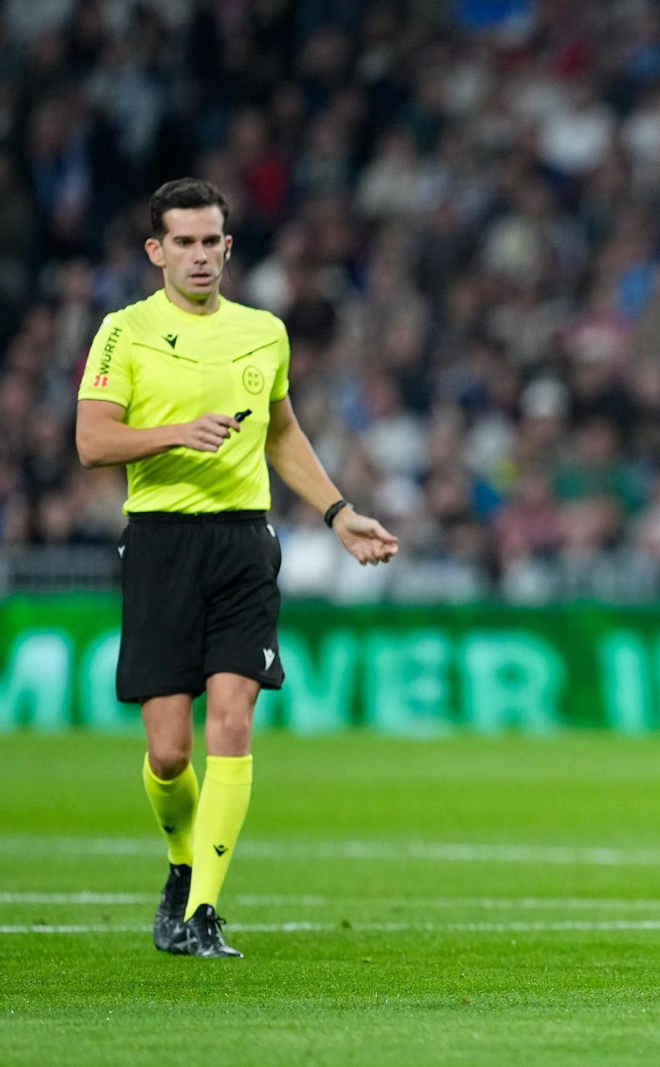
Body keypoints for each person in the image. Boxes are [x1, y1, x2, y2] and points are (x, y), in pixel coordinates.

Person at [74, 178, 399, 958]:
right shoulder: (124, 332)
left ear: (228, 246)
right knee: (168, 752)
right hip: (159, 542)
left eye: (209, 240)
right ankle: (183, 867)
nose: (198, 255)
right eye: (181, 242)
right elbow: (92, 441)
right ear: (156, 251)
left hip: (245, 545)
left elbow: (282, 432)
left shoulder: (264, 331)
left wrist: (338, 510)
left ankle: (204, 913)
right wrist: (176, 432)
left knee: (231, 723)